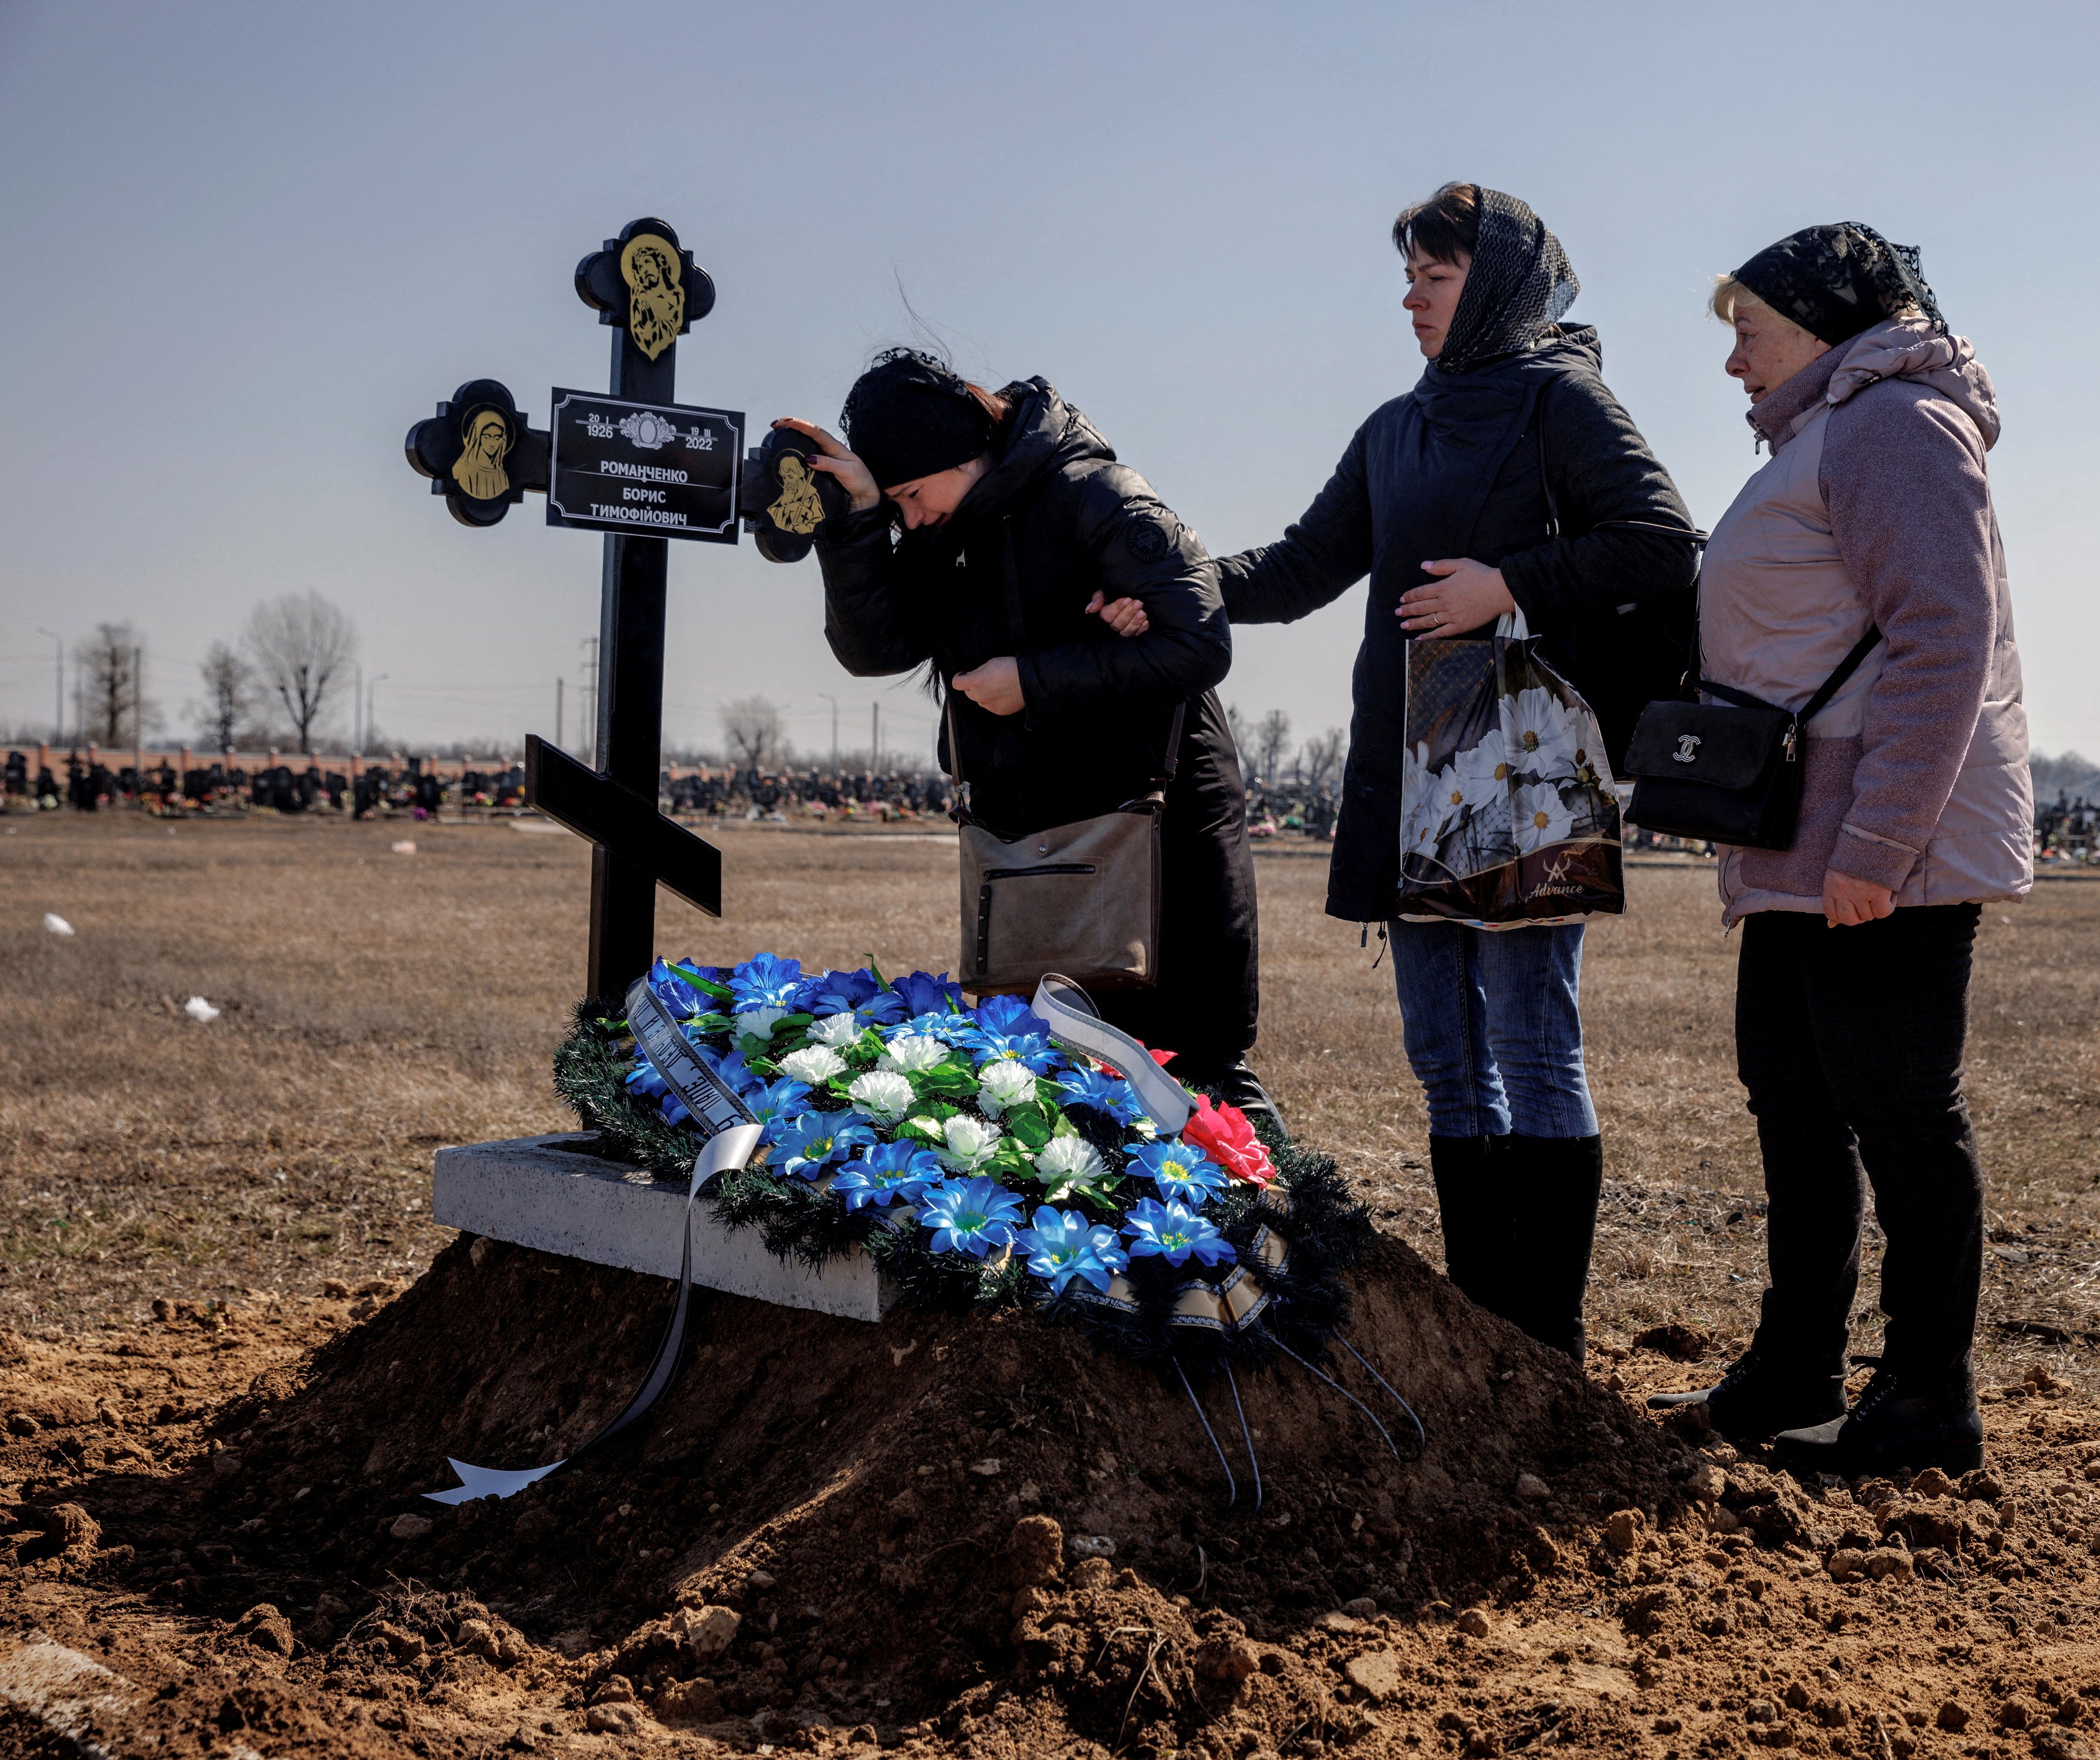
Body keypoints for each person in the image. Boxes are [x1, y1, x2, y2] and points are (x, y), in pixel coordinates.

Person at [1148, 184, 1699, 1358]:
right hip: (1410, 764)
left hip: (1524, 756)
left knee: (1534, 1048)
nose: (1410, 298)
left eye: (1434, 278)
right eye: (1408, 278)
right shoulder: (1396, 426)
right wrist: (1164, 578)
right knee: (1445, 1060)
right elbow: (1300, 566)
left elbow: (1660, 540)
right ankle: (1481, 1326)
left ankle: (1546, 1338)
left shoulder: (1563, 400)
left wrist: (1509, 583)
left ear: (1495, 283)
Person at [1657, 223, 2032, 1474]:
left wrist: (1876, 844)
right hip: (1800, 840)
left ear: (1821, 327)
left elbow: (1942, 634)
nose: (1733, 364)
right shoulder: (1831, 429)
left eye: (1747, 333)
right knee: (1796, 1103)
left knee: (1899, 1112)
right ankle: (1798, 1367)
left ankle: (1928, 1400)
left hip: (1879, 847)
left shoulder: (1892, 424)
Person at [776, 351, 1274, 1117]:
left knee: (1201, 1085)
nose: (912, 516)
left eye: (911, 493)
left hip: (1156, 841)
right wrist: (858, 523)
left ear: (957, 451)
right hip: (1034, 855)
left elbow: (1201, 641)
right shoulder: (944, 535)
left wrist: (1031, 680)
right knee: (1062, 1103)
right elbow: (874, 646)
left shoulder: (1094, 494)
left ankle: (1282, 1235)